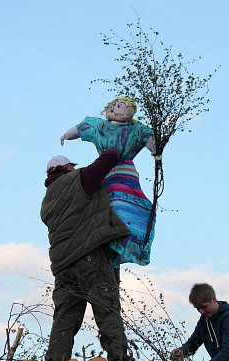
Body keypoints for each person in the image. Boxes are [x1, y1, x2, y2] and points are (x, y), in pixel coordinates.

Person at [40, 147, 135, 361]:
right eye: (72, 166)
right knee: (106, 310)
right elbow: (109, 157)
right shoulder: (78, 180)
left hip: (63, 268)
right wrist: (109, 137)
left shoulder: (47, 201)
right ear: (67, 168)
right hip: (90, 259)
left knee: (64, 319)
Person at [60, 97, 157, 268]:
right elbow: (81, 128)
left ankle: (125, 239)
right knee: (108, 205)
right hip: (106, 171)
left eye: (121, 106)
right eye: (114, 105)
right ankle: (110, 237)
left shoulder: (136, 130)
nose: (116, 108)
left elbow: (151, 139)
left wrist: (155, 151)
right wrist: (66, 135)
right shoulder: (100, 126)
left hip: (125, 174)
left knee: (124, 205)